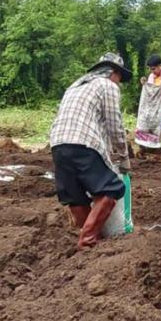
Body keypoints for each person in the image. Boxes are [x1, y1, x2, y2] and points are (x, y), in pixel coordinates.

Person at [49, 52, 132, 250]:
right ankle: (87, 241)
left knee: (75, 197)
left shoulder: (74, 87)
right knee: (112, 190)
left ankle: (93, 243)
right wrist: (123, 158)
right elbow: (114, 125)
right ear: (113, 73)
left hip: (58, 144)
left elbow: (92, 124)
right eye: (119, 78)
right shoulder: (107, 85)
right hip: (82, 143)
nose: (118, 83)